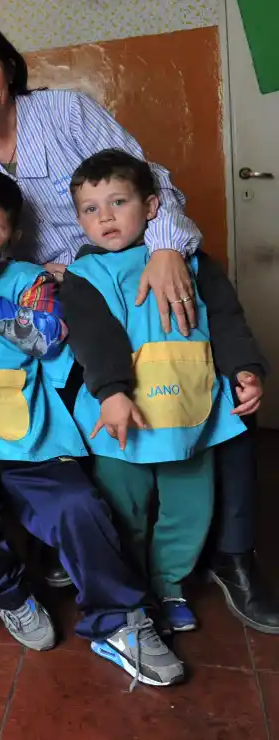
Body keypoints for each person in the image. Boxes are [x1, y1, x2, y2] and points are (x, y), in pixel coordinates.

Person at [0, 19, 279, 633]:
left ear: (7, 68)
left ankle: (234, 554)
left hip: (136, 267)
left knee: (209, 389)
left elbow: (147, 181)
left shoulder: (61, 113)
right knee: (80, 399)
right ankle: (91, 547)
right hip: (60, 302)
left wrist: (167, 251)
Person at [0, 170, 184, 688]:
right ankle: (9, 594)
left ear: (11, 238)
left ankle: (120, 621)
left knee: (77, 507)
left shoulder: (29, 279)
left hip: (29, 436)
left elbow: (48, 339)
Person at [61, 151, 265, 632]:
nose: (105, 217)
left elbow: (229, 322)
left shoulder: (192, 263)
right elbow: (95, 340)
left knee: (190, 509)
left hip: (193, 412)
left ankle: (168, 583)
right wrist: (111, 392)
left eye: (118, 202)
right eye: (90, 209)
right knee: (123, 510)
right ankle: (131, 589)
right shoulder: (85, 275)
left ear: (152, 207)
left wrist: (246, 370)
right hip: (121, 419)